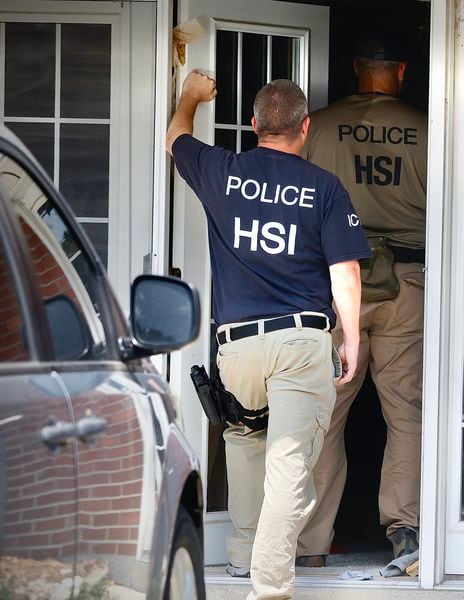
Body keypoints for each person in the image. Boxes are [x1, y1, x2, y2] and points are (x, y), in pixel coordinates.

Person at [166, 72, 370, 599]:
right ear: (305, 128)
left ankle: (241, 557)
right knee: (289, 464)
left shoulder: (222, 170)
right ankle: (270, 587)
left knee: (243, 439)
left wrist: (190, 96)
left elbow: (174, 139)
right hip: (301, 343)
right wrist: (352, 338)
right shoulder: (324, 187)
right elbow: (344, 273)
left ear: (255, 125)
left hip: (237, 346)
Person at [296, 37, 427, 567]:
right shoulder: (429, 127)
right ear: (400, 70)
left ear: (355, 68)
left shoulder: (318, 126)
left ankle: (309, 544)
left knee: (323, 416)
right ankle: (406, 530)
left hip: (335, 282)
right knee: (407, 413)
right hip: (407, 281)